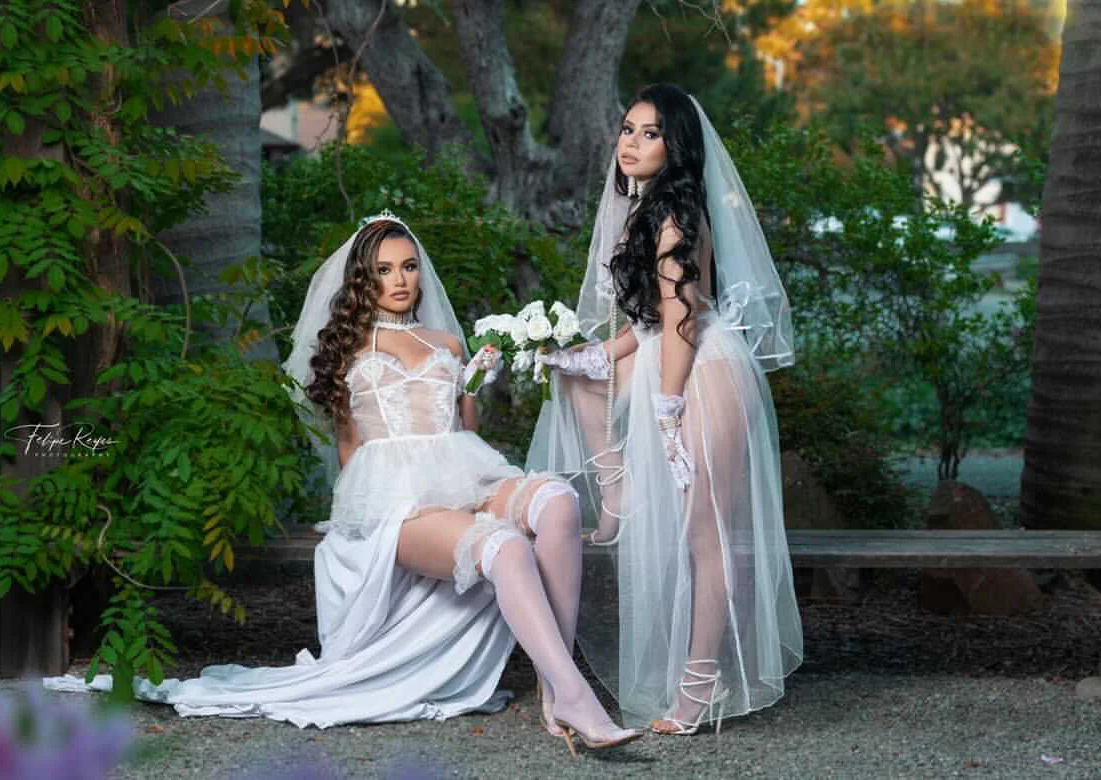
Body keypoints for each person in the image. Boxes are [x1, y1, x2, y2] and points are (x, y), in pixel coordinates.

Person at [46, 213, 640, 755]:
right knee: (505, 548)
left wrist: (474, 384)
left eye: (408, 266)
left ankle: (554, 682)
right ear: (363, 279)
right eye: (384, 270)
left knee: (559, 502)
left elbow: (465, 432)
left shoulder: (448, 344)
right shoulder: (345, 349)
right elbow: (350, 451)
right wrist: (354, 523)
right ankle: (576, 696)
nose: (400, 280)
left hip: (461, 466)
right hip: (394, 494)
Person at [527, 84, 803, 735]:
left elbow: (684, 319)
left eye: (650, 134)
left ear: (675, 147)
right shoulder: (642, 211)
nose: (632, 142)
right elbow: (648, 319)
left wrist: (668, 407)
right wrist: (599, 354)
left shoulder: (678, 216)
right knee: (577, 379)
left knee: (707, 536)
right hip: (663, 354)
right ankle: (616, 492)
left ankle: (700, 684)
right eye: (628, 129)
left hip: (700, 372)